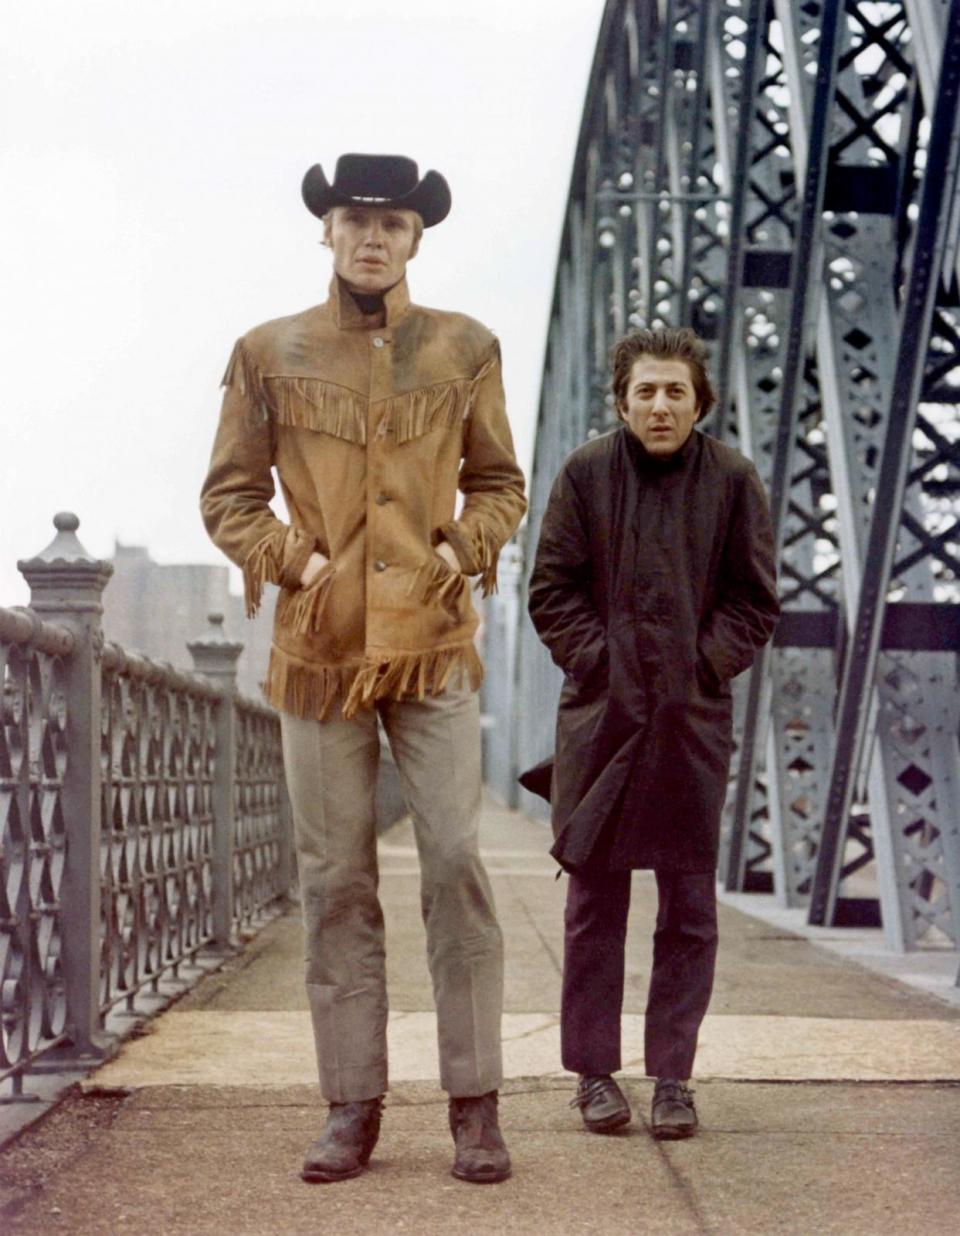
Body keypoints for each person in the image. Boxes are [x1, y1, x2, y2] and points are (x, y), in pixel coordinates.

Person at [201, 153, 526, 1184]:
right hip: (321, 651)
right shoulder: (267, 351)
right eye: (355, 220)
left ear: (417, 237)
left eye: (391, 222)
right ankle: (352, 1105)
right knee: (335, 879)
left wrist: (456, 550)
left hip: (432, 648)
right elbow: (229, 495)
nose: (373, 237)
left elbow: (500, 483)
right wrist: (287, 559)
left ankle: (475, 1105)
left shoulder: (466, 347)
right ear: (328, 232)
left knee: (455, 869)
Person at [525, 326, 779, 1140]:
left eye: (676, 391)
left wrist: (703, 669)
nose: (660, 406)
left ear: (699, 400)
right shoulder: (585, 474)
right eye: (645, 392)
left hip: (689, 725)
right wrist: (602, 666)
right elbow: (551, 589)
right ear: (621, 400)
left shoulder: (733, 480)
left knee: (689, 909)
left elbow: (754, 600)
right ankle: (595, 1075)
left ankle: (674, 1077)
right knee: (595, 905)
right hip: (602, 723)